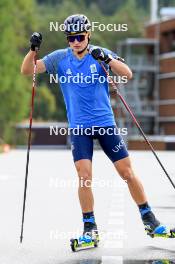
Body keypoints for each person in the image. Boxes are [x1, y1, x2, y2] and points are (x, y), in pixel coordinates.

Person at [21, 14, 168, 244]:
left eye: (80, 37)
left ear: (88, 35)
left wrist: (107, 60)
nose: (76, 42)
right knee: (84, 177)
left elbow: (127, 73)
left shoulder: (99, 54)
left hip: (106, 125)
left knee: (127, 173)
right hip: (79, 128)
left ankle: (150, 220)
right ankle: (90, 228)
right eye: (71, 38)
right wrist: (32, 49)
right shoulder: (59, 58)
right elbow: (27, 71)